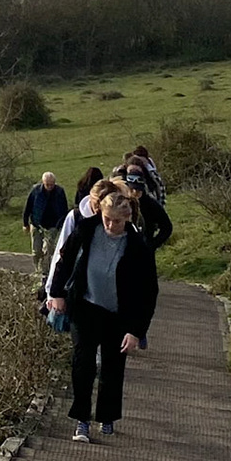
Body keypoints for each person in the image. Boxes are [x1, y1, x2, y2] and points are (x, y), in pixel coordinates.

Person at [46, 183, 160, 442]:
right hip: (85, 306)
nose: (110, 226)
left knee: (112, 366)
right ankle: (81, 420)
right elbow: (64, 259)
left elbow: (148, 292)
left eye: (117, 222)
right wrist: (57, 293)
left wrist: (136, 331)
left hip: (118, 314)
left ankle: (106, 415)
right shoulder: (86, 229)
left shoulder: (138, 246)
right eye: (107, 219)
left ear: (128, 218)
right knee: (83, 362)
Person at [121, 158, 174, 251]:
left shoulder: (150, 203)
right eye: (132, 189)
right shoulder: (121, 203)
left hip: (145, 251)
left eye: (138, 190)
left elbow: (167, 227)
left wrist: (151, 245)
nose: (135, 192)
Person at [22, 171, 69, 276]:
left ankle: (45, 273)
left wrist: (61, 224)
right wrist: (25, 223)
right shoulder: (35, 191)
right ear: (43, 182)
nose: (50, 187)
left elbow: (64, 209)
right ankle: (37, 268)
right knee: (36, 251)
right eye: (47, 184)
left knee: (48, 251)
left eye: (52, 184)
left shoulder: (60, 192)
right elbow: (28, 207)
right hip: (37, 224)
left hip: (52, 226)